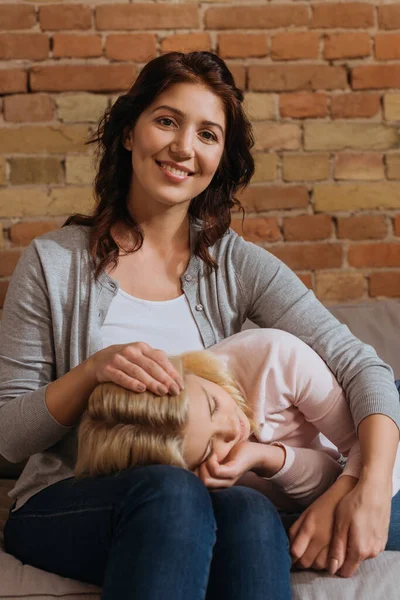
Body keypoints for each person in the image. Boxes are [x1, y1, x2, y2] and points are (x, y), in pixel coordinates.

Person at [0, 49, 398, 599]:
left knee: (248, 509)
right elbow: (7, 438)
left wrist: (368, 486)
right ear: (128, 133)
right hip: (73, 500)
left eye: (208, 134)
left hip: (209, 502)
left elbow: (361, 364)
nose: (184, 147)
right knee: (171, 490)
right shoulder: (52, 263)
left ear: (220, 158)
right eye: (167, 121)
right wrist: (92, 372)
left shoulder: (237, 266)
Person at [73, 327, 400, 576]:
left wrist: (353, 495)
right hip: (338, 466)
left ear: (192, 374)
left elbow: (368, 451)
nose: (233, 429)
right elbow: (328, 483)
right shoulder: (203, 472)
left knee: (357, 523)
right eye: (211, 445)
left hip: (381, 422)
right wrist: (265, 459)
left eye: (214, 404)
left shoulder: (272, 357)